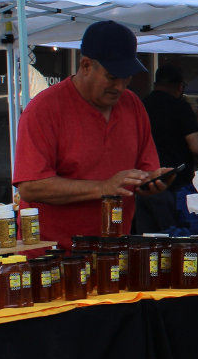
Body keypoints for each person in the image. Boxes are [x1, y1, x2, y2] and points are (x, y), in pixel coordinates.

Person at [13, 20, 173, 251]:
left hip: (114, 252)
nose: (120, 86)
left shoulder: (132, 105)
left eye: (127, 77)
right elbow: (30, 186)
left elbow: (144, 169)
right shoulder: (44, 109)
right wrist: (102, 188)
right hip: (53, 258)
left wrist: (151, 181)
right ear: (86, 65)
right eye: (112, 77)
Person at [136, 65, 198, 232]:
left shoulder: (140, 106)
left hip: (141, 187)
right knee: (172, 246)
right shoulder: (179, 107)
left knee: (146, 247)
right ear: (179, 86)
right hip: (171, 189)